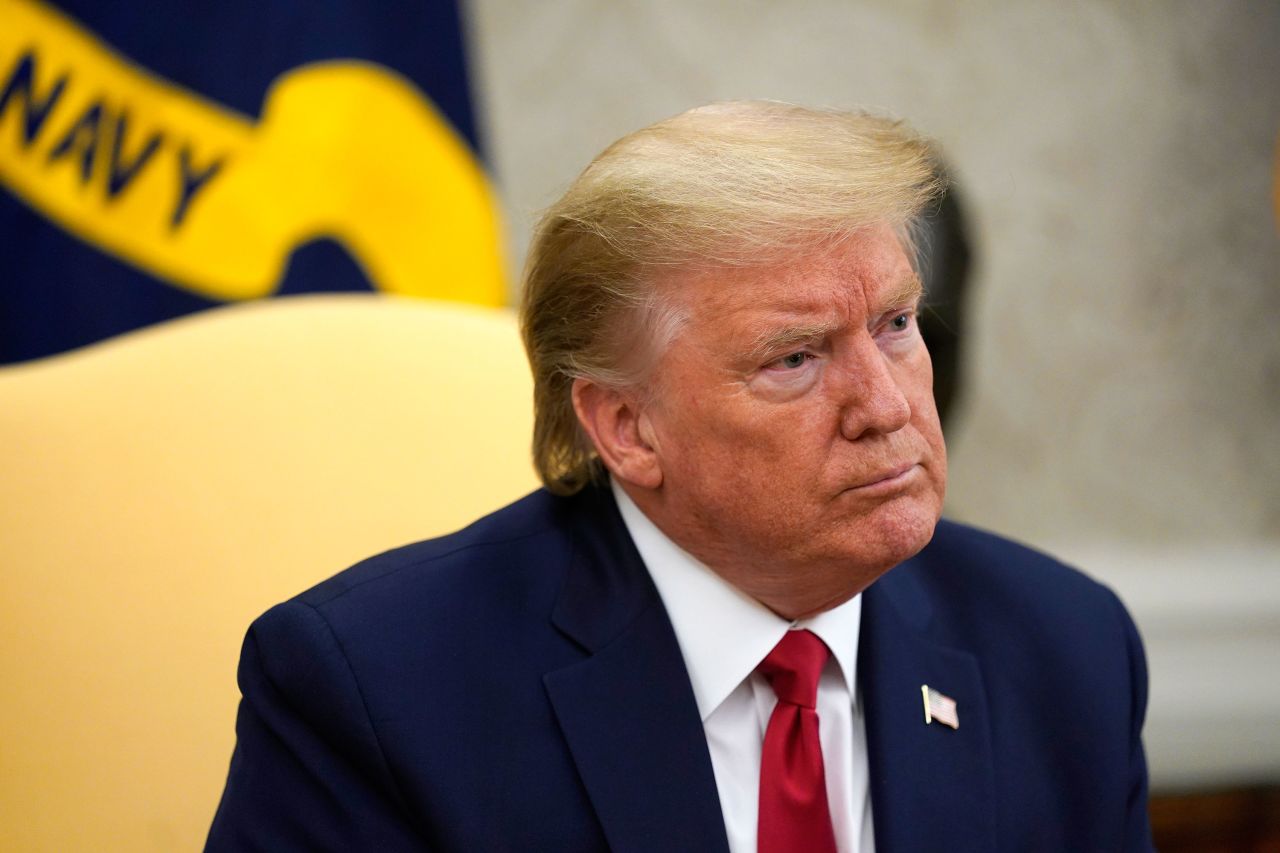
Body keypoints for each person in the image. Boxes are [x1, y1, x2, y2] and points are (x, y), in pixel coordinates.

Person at [206, 102, 1153, 852]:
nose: (887, 404)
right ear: (627, 427)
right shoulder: (376, 694)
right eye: (795, 358)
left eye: (896, 324)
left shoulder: (1066, 652)